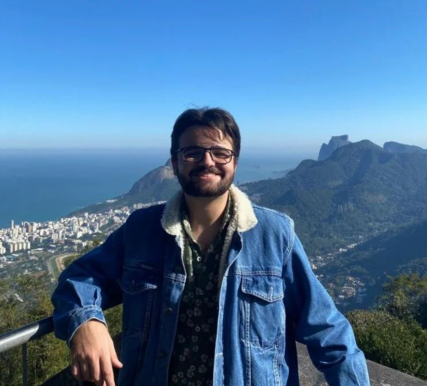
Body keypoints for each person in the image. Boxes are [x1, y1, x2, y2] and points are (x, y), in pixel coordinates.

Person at [52, 107, 370, 386]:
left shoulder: (276, 234)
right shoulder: (141, 230)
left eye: (220, 152)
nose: (207, 161)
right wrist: (86, 323)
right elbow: (77, 279)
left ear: (234, 162)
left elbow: (329, 332)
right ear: (175, 164)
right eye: (193, 153)